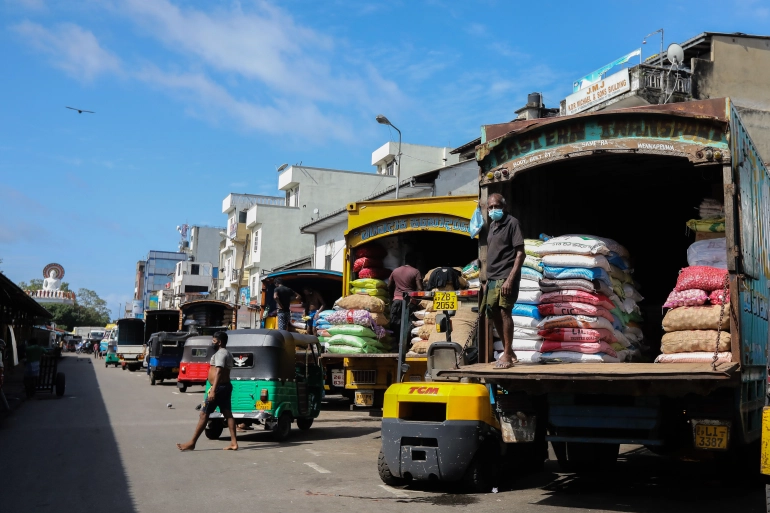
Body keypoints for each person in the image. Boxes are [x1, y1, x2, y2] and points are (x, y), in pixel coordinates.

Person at [483, 193, 525, 369]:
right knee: (492, 313)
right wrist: (487, 279)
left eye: (497, 206)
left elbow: (520, 253)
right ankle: (510, 352)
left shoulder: (512, 223)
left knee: (504, 311)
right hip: (493, 277)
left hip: (506, 275)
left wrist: (510, 280)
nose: (493, 210)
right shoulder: (492, 226)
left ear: (504, 207)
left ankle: (506, 354)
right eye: (491, 207)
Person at [177, 331, 238, 451]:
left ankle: (192, 443)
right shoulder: (228, 353)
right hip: (225, 386)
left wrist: (213, 390)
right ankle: (234, 442)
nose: (212, 343)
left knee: (204, 414)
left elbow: (219, 372)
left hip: (218, 388)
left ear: (220, 342)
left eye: (214, 341)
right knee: (227, 414)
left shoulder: (220, 354)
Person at [388, 254, 423, 350]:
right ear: (414, 261)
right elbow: (420, 288)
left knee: (396, 322)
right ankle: (405, 344)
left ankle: (397, 343)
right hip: (410, 302)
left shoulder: (395, 271)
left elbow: (389, 285)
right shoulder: (416, 271)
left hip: (397, 300)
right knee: (408, 323)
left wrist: (392, 296)